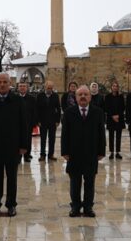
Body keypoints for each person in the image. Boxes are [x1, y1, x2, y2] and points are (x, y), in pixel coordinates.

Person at [0, 73, 27, 217]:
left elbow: (24, 124)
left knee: (12, 178)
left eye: (5, 82)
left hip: (13, 146)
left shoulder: (18, 101)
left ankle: (11, 205)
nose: (2, 84)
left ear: (9, 84)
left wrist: (24, 145)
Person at [61, 85, 106, 217]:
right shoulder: (69, 112)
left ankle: (88, 207)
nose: (83, 97)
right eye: (80, 94)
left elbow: (101, 133)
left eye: (85, 94)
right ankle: (75, 206)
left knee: (90, 182)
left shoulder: (98, 112)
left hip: (91, 153)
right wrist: (65, 151)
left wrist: (101, 151)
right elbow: (65, 134)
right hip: (74, 154)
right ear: (75, 97)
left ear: (90, 97)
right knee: (75, 182)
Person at [36, 81, 61, 162]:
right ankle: (42, 155)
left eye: (51, 88)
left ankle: (51, 155)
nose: (49, 90)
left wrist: (58, 120)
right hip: (42, 121)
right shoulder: (40, 95)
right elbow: (37, 109)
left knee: (52, 139)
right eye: (48, 88)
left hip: (52, 121)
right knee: (43, 139)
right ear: (45, 87)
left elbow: (58, 108)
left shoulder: (55, 95)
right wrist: (38, 120)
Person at [16, 82, 37, 162]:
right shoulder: (15, 98)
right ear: (18, 88)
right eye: (20, 86)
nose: (22, 88)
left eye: (24, 86)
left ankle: (27, 155)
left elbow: (34, 111)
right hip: (17, 123)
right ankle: (18, 156)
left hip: (28, 123)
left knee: (28, 140)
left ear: (27, 88)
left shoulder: (32, 98)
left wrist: (34, 122)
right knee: (17, 140)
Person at [104, 81, 125, 160]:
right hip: (111, 118)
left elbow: (123, 107)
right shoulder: (107, 96)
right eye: (113, 86)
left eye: (116, 86)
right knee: (111, 136)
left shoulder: (121, 96)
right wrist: (113, 116)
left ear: (118, 88)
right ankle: (112, 152)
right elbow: (106, 107)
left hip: (119, 118)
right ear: (111, 87)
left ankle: (118, 152)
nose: (115, 87)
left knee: (118, 136)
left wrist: (118, 115)